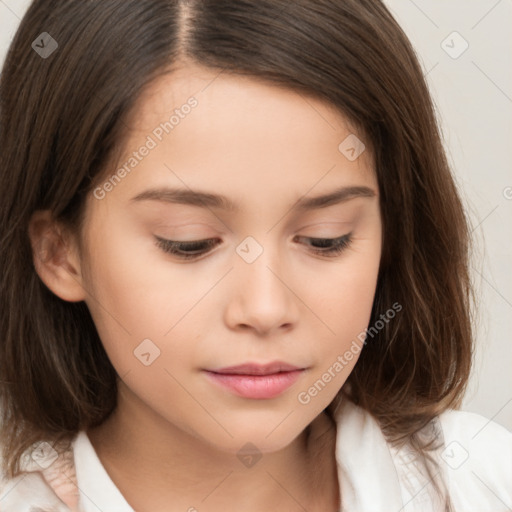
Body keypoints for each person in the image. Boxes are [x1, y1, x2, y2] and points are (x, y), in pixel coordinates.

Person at [0, 1, 510, 511]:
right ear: (60, 253)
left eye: (325, 238)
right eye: (189, 243)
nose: (266, 309)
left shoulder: (483, 482)